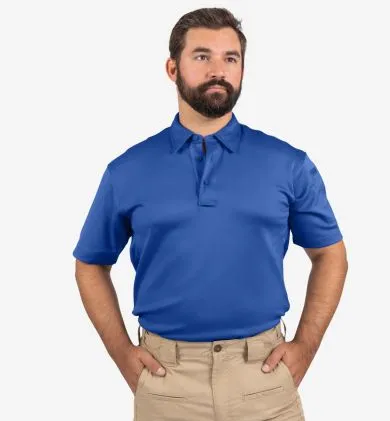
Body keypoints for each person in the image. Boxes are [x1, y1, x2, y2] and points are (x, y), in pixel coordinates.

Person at [73, 7, 348, 421]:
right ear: (172, 68)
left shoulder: (288, 164)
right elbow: (90, 264)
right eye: (202, 56)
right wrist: (123, 354)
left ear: (242, 70)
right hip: (166, 381)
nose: (218, 70)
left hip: (264, 376)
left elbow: (330, 255)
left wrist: (306, 346)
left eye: (230, 58)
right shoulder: (127, 170)